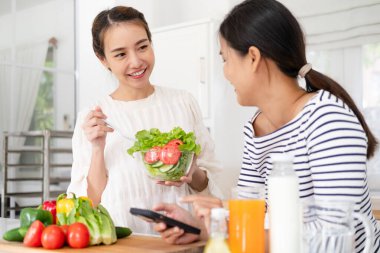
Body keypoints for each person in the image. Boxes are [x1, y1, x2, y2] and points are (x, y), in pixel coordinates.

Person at [152, 0, 380, 251]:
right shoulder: (255, 129)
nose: (225, 73)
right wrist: (200, 227)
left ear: (252, 58)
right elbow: (254, 218)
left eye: (225, 59)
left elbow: (332, 239)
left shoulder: (327, 120)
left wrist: (229, 223)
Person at [66, 6, 223, 234]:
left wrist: (193, 172)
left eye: (142, 47)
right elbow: (88, 203)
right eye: (121, 54)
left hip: (180, 241)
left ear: (151, 43)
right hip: (123, 245)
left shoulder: (183, 102)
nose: (136, 61)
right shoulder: (93, 117)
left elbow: (211, 186)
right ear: (103, 60)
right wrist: (97, 148)